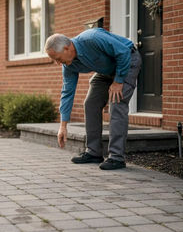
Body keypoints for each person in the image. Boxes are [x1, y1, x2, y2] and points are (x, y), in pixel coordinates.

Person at [44, 28, 142, 170]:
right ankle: (94, 152)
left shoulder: (92, 38)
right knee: (91, 103)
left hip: (127, 61)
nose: (58, 63)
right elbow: (67, 92)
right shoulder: (68, 65)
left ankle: (116, 157)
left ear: (67, 48)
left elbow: (123, 52)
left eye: (58, 59)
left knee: (116, 102)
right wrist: (63, 125)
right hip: (106, 71)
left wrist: (118, 81)